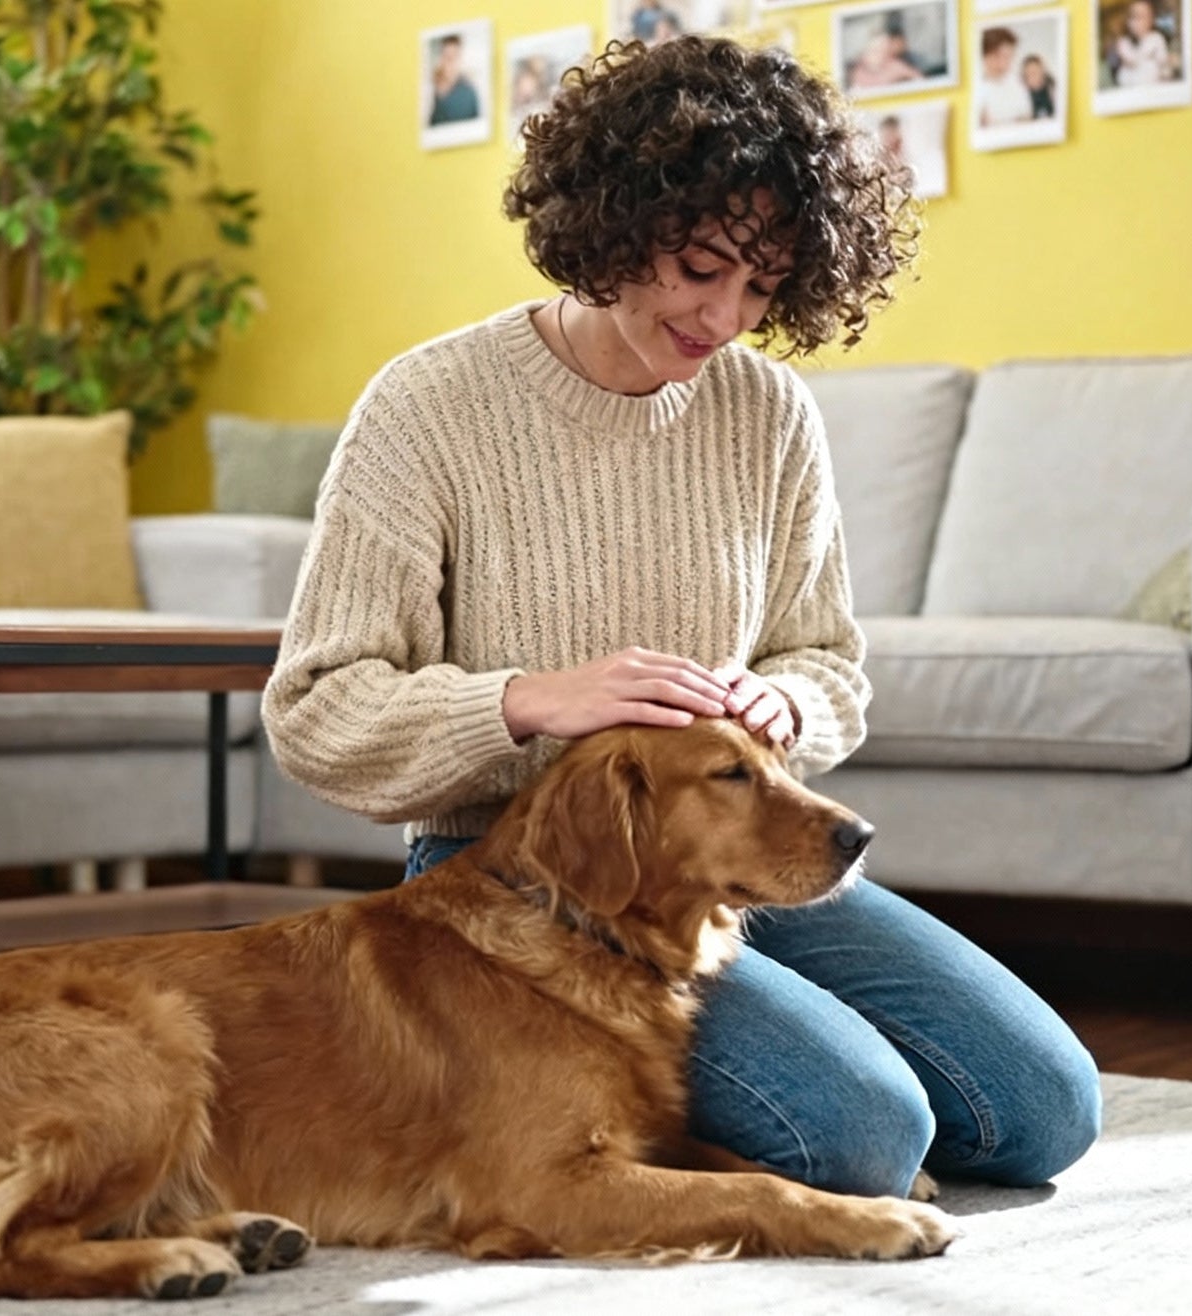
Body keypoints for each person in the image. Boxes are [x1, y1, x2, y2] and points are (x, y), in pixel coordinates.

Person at [263, 35, 1101, 1199]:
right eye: (701, 265)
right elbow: (314, 709)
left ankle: (634, 1103)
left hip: (734, 851)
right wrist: (525, 700)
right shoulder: (427, 406)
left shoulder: (768, 412)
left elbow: (828, 657)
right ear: (612, 220)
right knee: (861, 1136)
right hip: (529, 881)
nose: (723, 316)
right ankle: (570, 1137)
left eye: (762, 287)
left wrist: (784, 701)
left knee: (1047, 1108)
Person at [847, 18, 926, 89]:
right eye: (874, 50)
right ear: (863, 54)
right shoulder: (856, 72)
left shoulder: (894, 66)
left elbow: (920, 79)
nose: (879, 55)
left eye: (883, 50)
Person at [974, 26, 1029, 128]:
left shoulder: (1017, 84)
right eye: (997, 56)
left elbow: (1026, 117)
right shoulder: (975, 88)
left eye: (1008, 57)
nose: (1003, 64)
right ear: (983, 55)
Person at [1112, 0, 1176, 87]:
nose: (1141, 21)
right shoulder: (1124, 42)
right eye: (1136, 17)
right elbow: (1131, 60)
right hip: (1129, 87)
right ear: (1128, 22)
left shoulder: (1156, 38)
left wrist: (1167, 71)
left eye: (1146, 16)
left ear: (1151, 19)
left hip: (1154, 88)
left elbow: (1163, 61)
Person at [427, 33, 479, 126]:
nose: (451, 62)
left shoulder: (470, 92)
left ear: (460, 58)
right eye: (447, 57)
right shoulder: (430, 88)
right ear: (441, 59)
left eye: (455, 56)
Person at [1023, 53, 1059, 120]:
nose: (1030, 78)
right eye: (1027, 74)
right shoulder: (1024, 94)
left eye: (1034, 73)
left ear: (1042, 72)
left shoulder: (1054, 89)